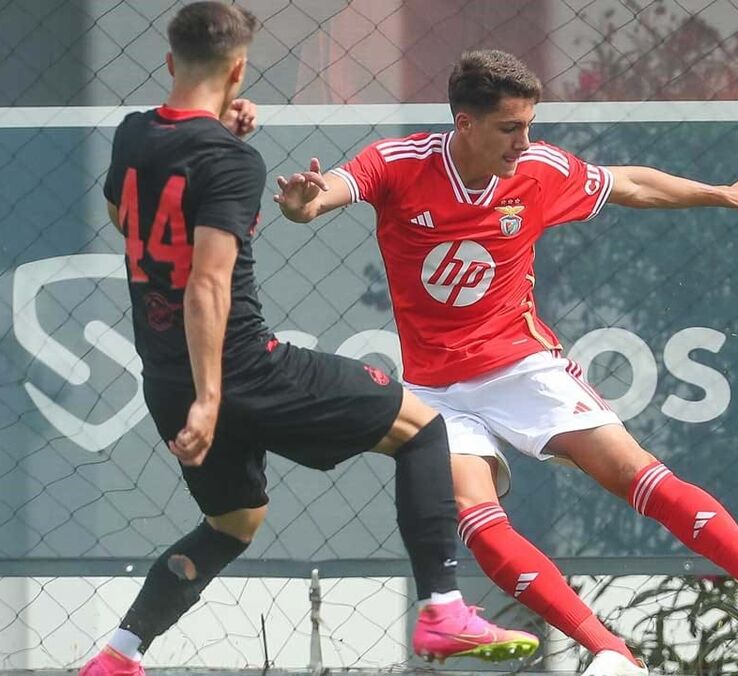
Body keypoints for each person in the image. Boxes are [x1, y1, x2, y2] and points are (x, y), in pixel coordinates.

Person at [275, 49, 738, 675]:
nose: (524, 142)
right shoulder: (400, 162)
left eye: (529, 125)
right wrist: (305, 204)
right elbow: (331, 191)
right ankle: (611, 651)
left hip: (523, 366)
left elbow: (629, 183)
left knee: (634, 472)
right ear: (465, 123)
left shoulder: (538, 170)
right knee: (478, 521)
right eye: (509, 128)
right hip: (435, 390)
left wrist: (721, 195)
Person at [79, 10, 537, 676]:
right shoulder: (232, 160)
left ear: (171, 61)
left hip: (166, 378)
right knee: (423, 429)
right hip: (239, 370)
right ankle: (442, 610)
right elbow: (208, 284)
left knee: (234, 522)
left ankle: (119, 655)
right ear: (240, 69)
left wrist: (196, 398)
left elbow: (124, 215)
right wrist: (211, 398)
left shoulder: (134, 135)